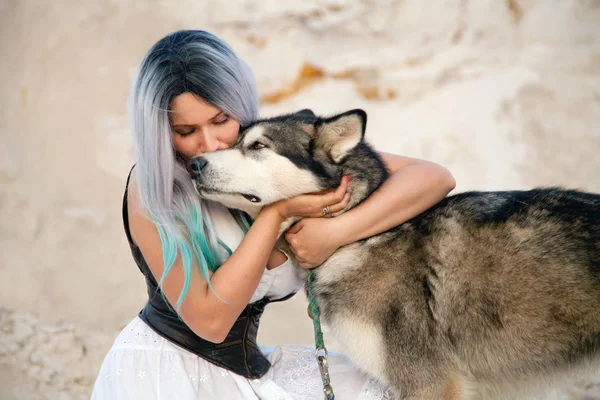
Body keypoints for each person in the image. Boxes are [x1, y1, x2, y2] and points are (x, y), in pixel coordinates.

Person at [91, 30, 456, 399]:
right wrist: (276, 214)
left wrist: (335, 231)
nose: (211, 144)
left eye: (221, 120)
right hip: (167, 377)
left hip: (246, 372)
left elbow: (433, 178)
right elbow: (211, 321)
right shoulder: (151, 189)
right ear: (161, 132)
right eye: (186, 131)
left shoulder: (267, 157)